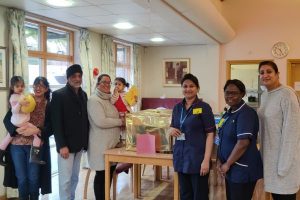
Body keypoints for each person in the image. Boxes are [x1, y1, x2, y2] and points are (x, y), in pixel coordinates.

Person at [3, 76, 52, 199]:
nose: (38, 87)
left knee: (33, 178)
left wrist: (37, 130)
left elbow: (52, 127)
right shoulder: (25, 98)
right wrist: (15, 130)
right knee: (22, 179)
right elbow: (8, 119)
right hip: (17, 145)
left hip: (35, 146)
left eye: (41, 85)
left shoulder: (49, 105)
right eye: (36, 84)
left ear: (46, 89)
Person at [257, 61, 300, 200]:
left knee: (285, 196)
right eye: (262, 72)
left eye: (269, 71)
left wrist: (284, 166)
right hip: (270, 158)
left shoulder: (287, 94)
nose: (265, 75)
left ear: (277, 74)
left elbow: (292, 131)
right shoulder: (265, 95)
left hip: (284, 161)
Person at [169, 73, 216, 200]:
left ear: (197, 88)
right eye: (185, 86)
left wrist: (206, 160)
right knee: (185, 195)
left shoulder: (204, 108)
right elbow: (173, 126)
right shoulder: (177, 108)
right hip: (181, 157)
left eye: (191, 86)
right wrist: (171, 129)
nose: (188, 89)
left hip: (197, 159)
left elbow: (210, 134)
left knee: (199, 195)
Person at [217, 79, 263, 200]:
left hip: (242, 169)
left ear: (242, 94)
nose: (230, 96)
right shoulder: (229, 112)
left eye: (234, 93)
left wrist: (227, 163)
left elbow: (243, 143)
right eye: (227, 92)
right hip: (232, 168)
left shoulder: (246, 113)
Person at [51, 64, 89, 200]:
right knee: (65, 180)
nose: (77, 79)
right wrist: (62, 145)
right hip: (66, 146)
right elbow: (56, 123)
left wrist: (86, 142)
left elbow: (85, 119)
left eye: (79, 76)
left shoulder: (83, 94)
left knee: (75, 177)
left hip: (79, 144)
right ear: (68, 78)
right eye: (74, 76)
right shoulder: (58, 95)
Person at [87, 74, 125, 200]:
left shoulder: (111, 99)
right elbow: (101, 121)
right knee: (101, 176)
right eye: (104, 82)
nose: (107, 85)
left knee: (108, 176)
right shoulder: (93, 100)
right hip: (100, 146)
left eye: (109, 83)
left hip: (112, 145)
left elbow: (117, 115)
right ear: (98, 84)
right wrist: (120, 122)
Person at [0, 76, 45, 166]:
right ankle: (34, 157)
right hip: (19, 123)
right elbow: (14, 111)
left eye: (22, 86)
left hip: (22, 122)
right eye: (17, 86)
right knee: (36, 136)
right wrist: (20, 103)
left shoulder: (22, 96)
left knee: (8, 139)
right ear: (13, 88)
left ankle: (34, 157)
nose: (20, 88)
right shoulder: (14, 98)